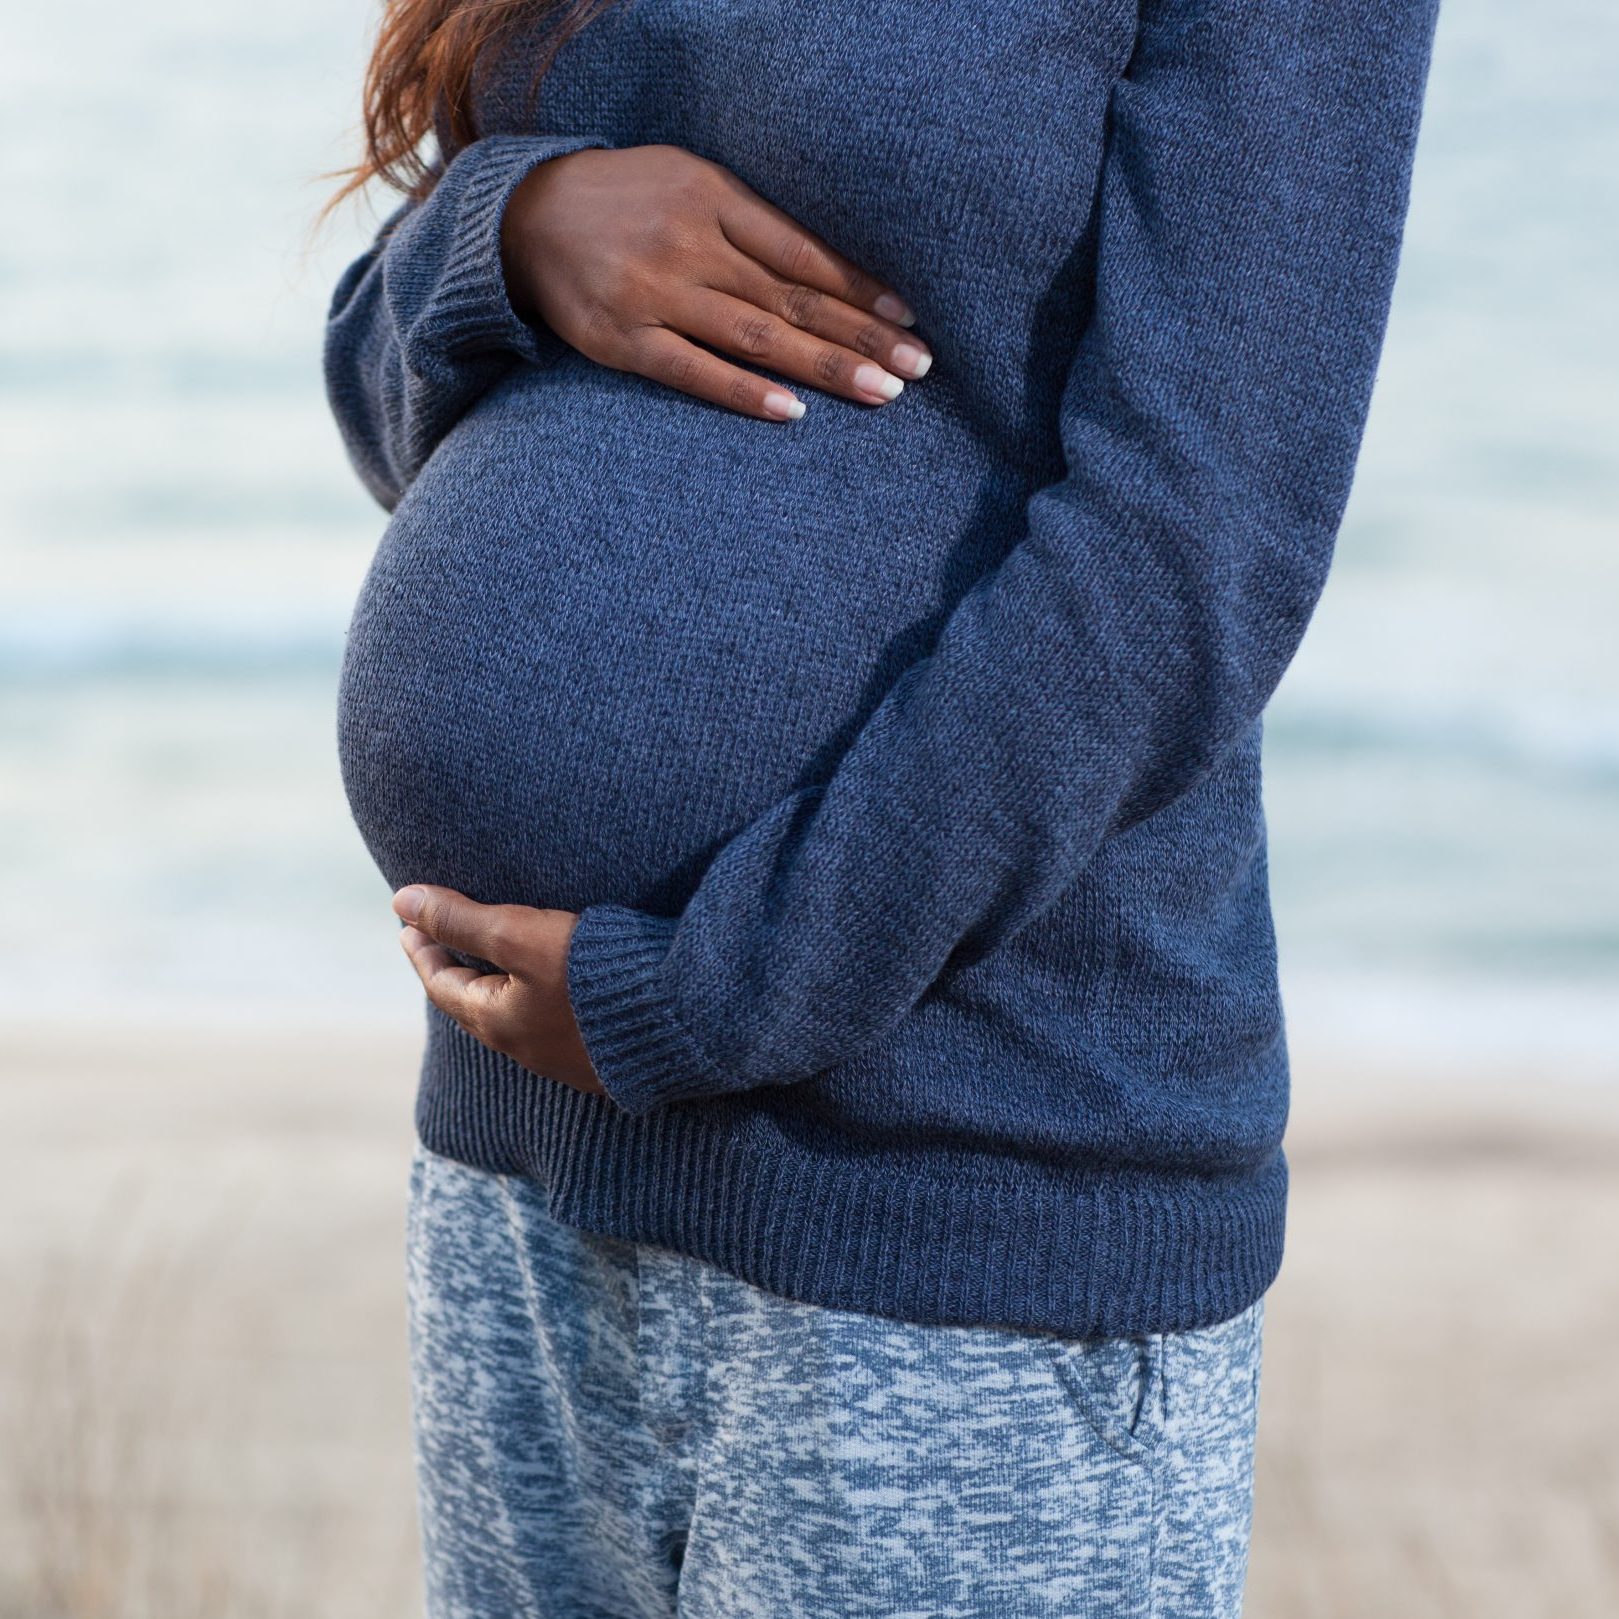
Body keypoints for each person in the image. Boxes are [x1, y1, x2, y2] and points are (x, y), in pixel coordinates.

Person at [322, 1, 1438, 1613]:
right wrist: (508, 234)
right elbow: (385, 394)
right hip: (527, 1166)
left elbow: (1196, 552)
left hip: (958, 1192)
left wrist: (708, 994)